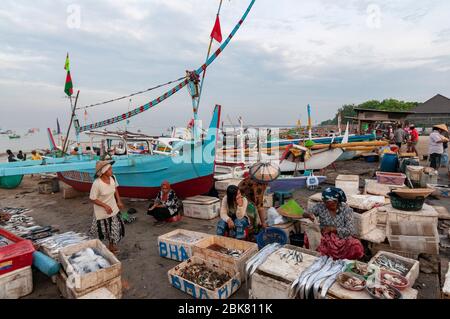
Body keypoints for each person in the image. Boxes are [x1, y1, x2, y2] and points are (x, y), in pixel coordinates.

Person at [303, 187, 364, 260]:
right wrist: (309, 215)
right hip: (324, 235)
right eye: (325, 202)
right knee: (309, 237)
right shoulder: (321, 206)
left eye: (329, 203)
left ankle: (342, 261)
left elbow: (350, 230)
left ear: (337, 201)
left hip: (341, 237)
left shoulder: (347, 210)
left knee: (356, 245)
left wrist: (333, 229)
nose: (326, 204)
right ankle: (322, 260)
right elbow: (305, 212)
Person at [89, 160, 125, 255]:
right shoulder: (97, 183)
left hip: (113, 209)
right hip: (102, 212)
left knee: (116, 229)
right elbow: (92, 199)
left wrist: (119, 201)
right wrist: (105, 206)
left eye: (111, 168)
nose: (111, 170)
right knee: (105, 231)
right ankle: (101, 249)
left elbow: (115, 189)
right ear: (104, 171)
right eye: (109, 169)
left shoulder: (112, 178)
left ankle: (111, 246)